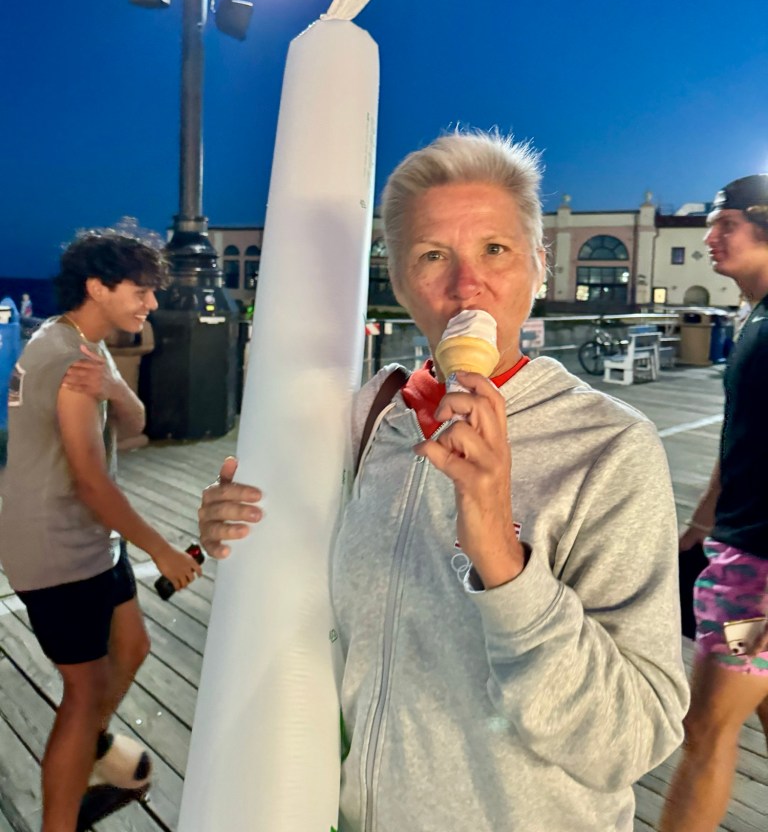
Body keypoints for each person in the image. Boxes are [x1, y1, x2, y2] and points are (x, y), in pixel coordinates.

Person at [200, 130, 688, 831]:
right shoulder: (370, 419)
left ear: (539, 266)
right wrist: (245, 532)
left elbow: (631, 740)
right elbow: (324, 611)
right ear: (400, 282)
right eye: (433, 256)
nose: (467, 285)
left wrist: (503, 561)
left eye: (496, 249)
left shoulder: (608, 448)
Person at [0, 232, 202, 832]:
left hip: (93, 540)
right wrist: (161, 550)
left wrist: (114, 387)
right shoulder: (66, 361)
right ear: (98, 287)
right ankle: (63, 815)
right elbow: (91, 482)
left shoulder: (83, 343)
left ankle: (87, 749)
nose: (151, 304)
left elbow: (135, 424)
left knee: (131, 647)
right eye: (141, 291)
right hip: (55, 544)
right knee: (84, 692)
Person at [661, 174, 768, 832]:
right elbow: (741, 440)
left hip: (757, 584)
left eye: (726, 225)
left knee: (705, 731)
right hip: (738, 554)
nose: (710, 238)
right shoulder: (754, 319)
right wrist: (700, 524)